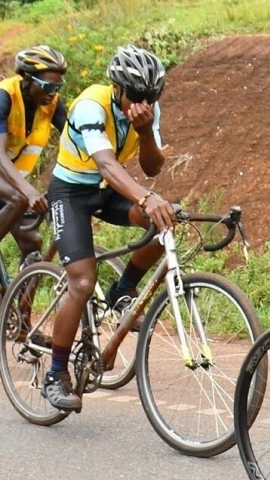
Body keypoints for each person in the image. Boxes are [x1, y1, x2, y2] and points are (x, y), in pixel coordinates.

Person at [41, 44, 175, 412]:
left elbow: (152, 168)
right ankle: (55, 374)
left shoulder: (147, 112)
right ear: (116, 88)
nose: (141, 103)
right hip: (71, 192)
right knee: (82, 282)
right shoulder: (90, 105)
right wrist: (146, 198)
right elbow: (106, 165)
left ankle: (123, 287)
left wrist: (146, 132)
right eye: (134, 95)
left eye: (150, 97)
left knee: (165, 220)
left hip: (105, 192)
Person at [0, 45, 67, 268]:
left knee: (33, 242)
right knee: (18, 198)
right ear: (27, 78)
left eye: (58, 86)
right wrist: (28, 191)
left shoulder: (52, 103)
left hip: (10, 178)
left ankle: (20, 302)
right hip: (6, 174)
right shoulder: (4, 96)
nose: (53, 92)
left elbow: (76, 138)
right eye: (47, 86)